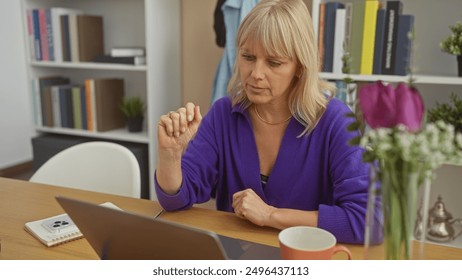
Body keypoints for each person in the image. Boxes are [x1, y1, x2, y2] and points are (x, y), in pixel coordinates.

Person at [155, 0, 371, 244]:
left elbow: (367, 221)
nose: (256, 73)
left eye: (273, 62)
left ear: (300, 66)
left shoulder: (335, 121)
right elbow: (175, 200)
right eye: (248, 57)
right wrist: (170, 155)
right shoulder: (223, 114)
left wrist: (271, 215)